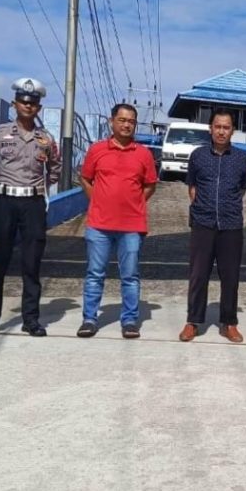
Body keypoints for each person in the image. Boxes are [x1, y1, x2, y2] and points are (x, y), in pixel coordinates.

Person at [0, 78, 61, 338]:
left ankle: (31, 320)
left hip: (33, 204)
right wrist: (1, 186)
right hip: (5, 203)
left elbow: (55, 169)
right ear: (15, 104)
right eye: (23, 102)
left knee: (31, 264)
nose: (28, 106)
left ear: (38, 108)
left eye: (33, 103)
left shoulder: (46, 139)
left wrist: (40, 189)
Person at [77, 103, 158, 339]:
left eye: (131, 121)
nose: (126, 125)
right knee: (95, 274)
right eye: (122, 120)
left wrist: (134, 202)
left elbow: (150, 185)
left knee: (130, 276)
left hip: (132, 226)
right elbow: (85, 179)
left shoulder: (143, 154)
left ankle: (130, 320)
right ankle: (89, 319)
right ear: (111, 121)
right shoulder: (97, 150)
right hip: (99, 225)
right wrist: (98, 200)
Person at [178, 109, 246, 344]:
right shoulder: (198, 156)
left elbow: (242, 189)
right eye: (217, 126)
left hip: (231, 225)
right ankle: (193, 321)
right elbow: (192, 187)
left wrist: (227, 206)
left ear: (233, 130)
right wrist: (203, 208)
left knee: (230, 276)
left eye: (226, 127)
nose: (221, 131)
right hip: (203, 223)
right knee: (198, 275)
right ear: (210, 129)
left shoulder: (242, 158)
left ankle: (229, 323)